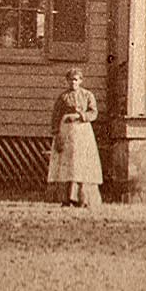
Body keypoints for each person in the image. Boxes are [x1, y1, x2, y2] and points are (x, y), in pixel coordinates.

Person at [47, 68, 103, 207]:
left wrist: (82, 116)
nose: (73, 82)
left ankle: (82, 198)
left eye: (76, 79)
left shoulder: (87, 95)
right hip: (66, 131)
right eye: (71, 79)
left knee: (81, 163)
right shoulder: (63, 98)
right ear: (67, 81)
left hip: (82, 132)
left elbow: (93, 112)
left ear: (81, 81)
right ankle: (66, 198)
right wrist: (57, 133)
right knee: (68, 164)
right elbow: (55, 116)